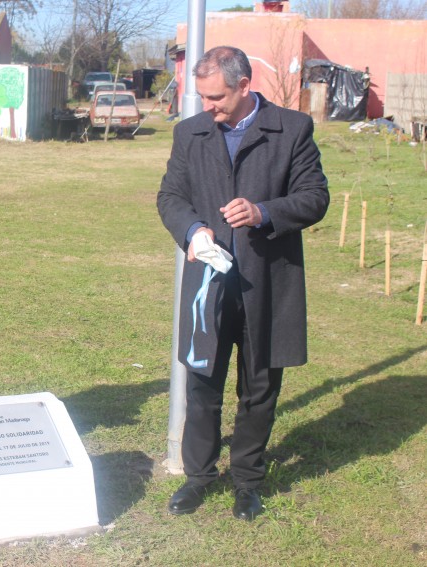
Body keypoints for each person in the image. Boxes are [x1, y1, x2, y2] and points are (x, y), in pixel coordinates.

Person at [157, 46, 329, 521]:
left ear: (244, 86)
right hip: (208, 283)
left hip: (267, 282)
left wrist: (264, 212)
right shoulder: (189, 133)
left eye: (216, 98)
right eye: (202, 97)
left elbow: (315, 197)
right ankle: (199, 478)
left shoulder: (291, 129)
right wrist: (192, 229)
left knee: (258, 388)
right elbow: (170, 195)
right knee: (202, 385)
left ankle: (247, 482)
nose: (206, 107)